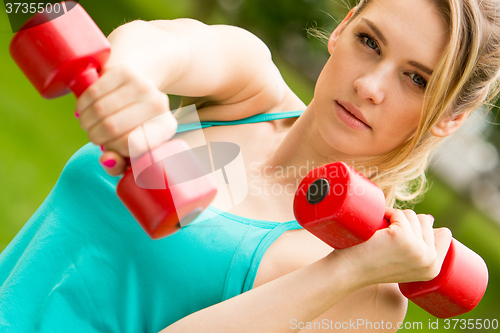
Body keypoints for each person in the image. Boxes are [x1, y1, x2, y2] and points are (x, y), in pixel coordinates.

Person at [1, 0, 499, 332]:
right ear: (343, 27)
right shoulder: (249, 89)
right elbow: (165, 41)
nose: (371, 85)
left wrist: (346, 272)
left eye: (416, 79)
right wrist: (129, 76)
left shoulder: (369, 291)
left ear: (450, 119)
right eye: (370, 42)